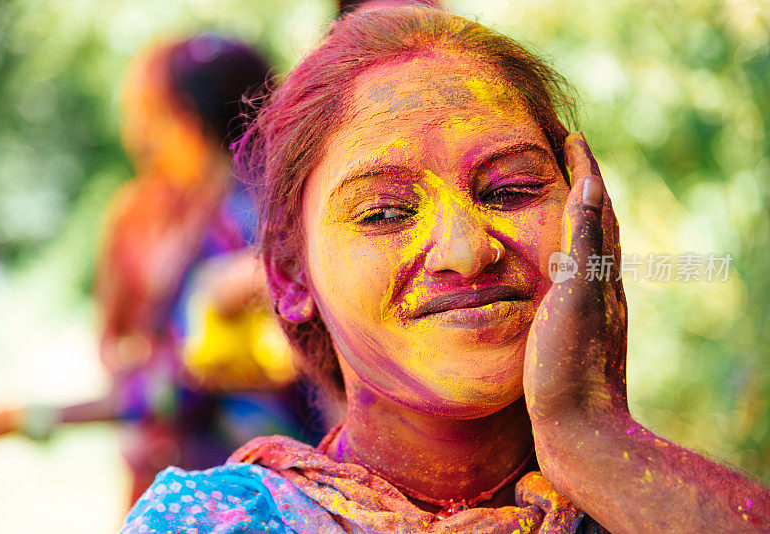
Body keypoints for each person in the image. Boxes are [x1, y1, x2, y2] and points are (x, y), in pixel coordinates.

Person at [119, 7, 770, 533]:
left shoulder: (655, 504)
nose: (464, 250)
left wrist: (592, 442)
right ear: (290, 278)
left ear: (589, 216)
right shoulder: (215, 524)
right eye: (384, 213)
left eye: (510, 191)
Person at [0, 35, 326, 506]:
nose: (140, 137)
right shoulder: (221, 207)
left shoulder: (243, 220)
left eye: (157, 117)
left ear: (193, 122)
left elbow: (183, 383)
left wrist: (32, 417)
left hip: (256, 490)